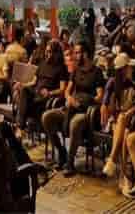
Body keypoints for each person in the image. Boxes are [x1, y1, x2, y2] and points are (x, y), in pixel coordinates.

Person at [42, 41, 105, 177]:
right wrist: (69, 98)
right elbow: (67, 90)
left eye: (77, 53)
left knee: (75, 123)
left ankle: (70, 163)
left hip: (85, 110)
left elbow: (100, 96)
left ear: (85, 54)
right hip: (71, 106)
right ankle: (61, 152)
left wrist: (86, 101)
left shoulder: (97, 72)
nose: (75, 56)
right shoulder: (76, 70)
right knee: (47, 117)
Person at [101, 53, 135, 177]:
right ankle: (124, 174)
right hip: (114, 120)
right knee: (124, 131)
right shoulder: (112, 83)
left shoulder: (131, 84)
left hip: (129, 119)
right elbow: (105, 106)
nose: (131, 69)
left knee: (125, 126)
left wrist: (128, 112)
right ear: (123, 69)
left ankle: (112, 160)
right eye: (129, 67)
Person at [17, 39, 68, 130]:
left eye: (49, 52)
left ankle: (20, 127)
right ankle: (21, 125)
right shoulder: (42, 63)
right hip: (35, 92)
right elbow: (34, 82)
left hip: (46, 97)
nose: (46, 54)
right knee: (24, 91)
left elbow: (62, 89)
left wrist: (50, 93)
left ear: (56, 53)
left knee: (24, 104)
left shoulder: (61, 68)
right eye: (46, 51)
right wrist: (23, 84)